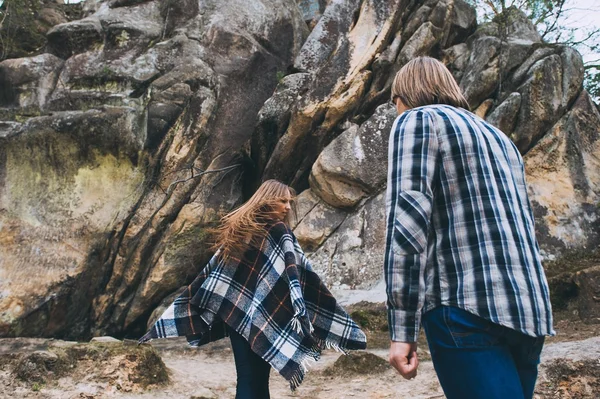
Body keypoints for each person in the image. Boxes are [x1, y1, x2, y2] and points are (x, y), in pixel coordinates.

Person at [384, 57, 554, 399]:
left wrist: (402, 330)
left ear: (405, 95)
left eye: (395, 102)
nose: (395, 111)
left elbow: (407, 223)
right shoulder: (501, 139)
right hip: (528, 309)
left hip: (464, 307)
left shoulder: (417, 121)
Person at [140, 179, 366, 398]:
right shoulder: (277, 231)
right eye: (283, 201)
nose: (287, 207)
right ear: (268, 200)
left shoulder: (241, 230)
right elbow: (299, 275)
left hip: (237, 316)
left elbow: (217, 275)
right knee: (257, 380)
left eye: (289, 202)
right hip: (265, 315)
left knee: (248, 378)